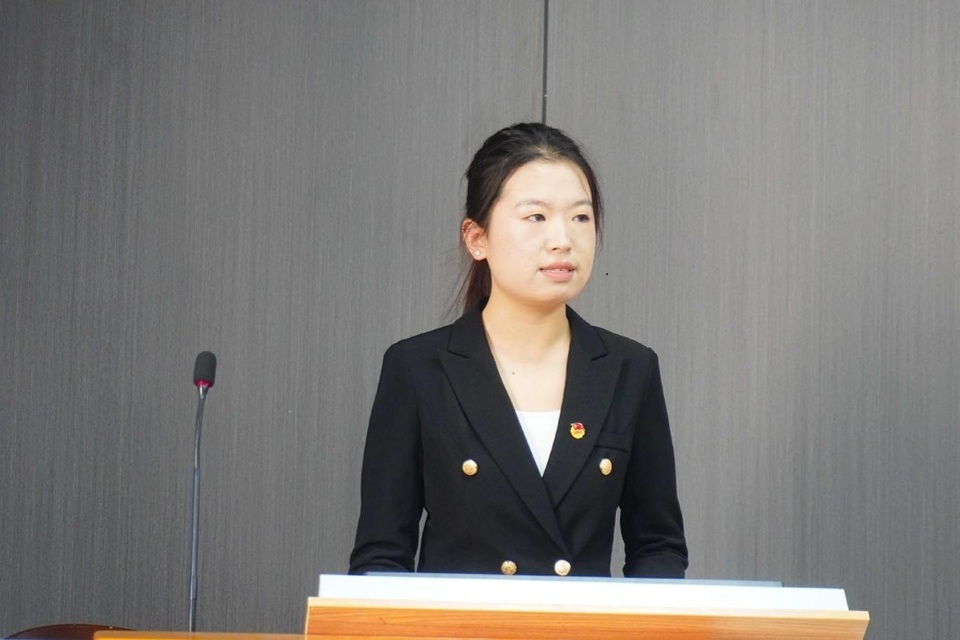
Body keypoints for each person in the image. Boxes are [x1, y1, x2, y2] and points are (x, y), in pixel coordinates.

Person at [349, 123, 687, 578]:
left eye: (580, 217)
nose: (562, 239)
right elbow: (381, 559)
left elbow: (658, 548)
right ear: (477, 238)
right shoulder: (418, 368)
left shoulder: (629, 369)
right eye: (536, 217)